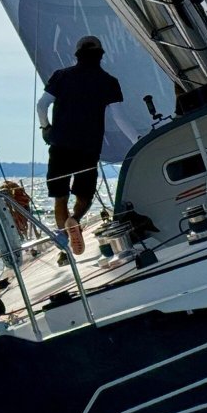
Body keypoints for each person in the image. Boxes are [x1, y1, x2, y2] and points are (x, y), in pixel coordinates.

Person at [37, 35, 123, 262]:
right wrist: (137, 140)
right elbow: (119, 117)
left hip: (60, 145)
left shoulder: (61, 76)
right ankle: (75, 218)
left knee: (60, 197)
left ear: (76, 55)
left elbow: (42, 105)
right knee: (84, 194)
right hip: (88, 147)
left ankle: (65, 244)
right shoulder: (109, 82)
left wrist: (46, 128)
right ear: (101, 56)